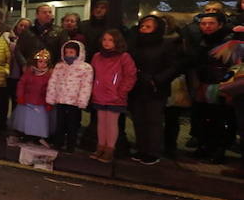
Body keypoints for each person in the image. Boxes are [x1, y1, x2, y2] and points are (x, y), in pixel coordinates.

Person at [128, 16, 181, 165]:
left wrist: (157, 79)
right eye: (142, 26)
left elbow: (174, 66)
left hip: (156, 88)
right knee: (138, 120)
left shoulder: (166, 44)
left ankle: (153, 151)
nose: (143, 29)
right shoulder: (136, 43)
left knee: (153, 120)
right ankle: (141, 148)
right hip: (137, 86)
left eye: (148, 26)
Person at [190, 12, 235, 163]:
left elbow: (234, 66)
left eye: (211, 23)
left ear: (220, 24)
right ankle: (205, 146)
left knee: (220, 118)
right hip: (204, 83)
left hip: (220, 85)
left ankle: (218, 149)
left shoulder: (229, 42)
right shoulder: (201, 41)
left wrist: (227, 84)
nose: (207, 27)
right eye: (203, 24)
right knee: (203, 116)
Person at [89, 30, 137, 163]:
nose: (106, 43)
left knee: (111, 123)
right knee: (101, 122)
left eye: (110, 40)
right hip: (99, 94)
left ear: (117, 41)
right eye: (104, 39)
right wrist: (93, 89)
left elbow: (130, 76)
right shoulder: (97, 56)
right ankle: (100, 147)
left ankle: (109, 149)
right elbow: (92, 74)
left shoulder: (124, 57)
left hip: (115, 96)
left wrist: (121, 92)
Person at [46, 41, 93, 154]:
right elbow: (53, 82)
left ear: (78, 52)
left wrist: (82, 101)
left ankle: (70, 146)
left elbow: (86, 85)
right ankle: (58, 143)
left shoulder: (86, 68)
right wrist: (51, 97)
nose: (68, 55)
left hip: (75, 102)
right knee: (60, 122)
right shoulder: (60, 66)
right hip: (61, 99)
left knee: (73, 124)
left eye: (71, 52)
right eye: (66, 52)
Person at [11, 49, 55, 143]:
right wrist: (20, 96)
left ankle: (36, 136)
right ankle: (25, 134)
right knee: (26, 120)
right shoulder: (29, 73)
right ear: (35, 62)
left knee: (38, 121)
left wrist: (49, 102)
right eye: (40, 61)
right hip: (26, 101)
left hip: (40, 102)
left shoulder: (49, 76)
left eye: (45, 62)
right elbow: (21, 84)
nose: (43, 64)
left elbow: (50, 90)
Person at [16, 4, 62, 71]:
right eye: (44, 12)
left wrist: (56, 67)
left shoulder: (60, 31)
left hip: (52, 70)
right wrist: (24, 64)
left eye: (50, 12)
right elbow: (18, 50)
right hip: (31, 69)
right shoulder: (27, 32)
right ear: (37, 15)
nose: (48, 14)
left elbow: (62, 52)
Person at [5, 18, 31, 113]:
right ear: (17, 25)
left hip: (20, 75)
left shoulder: (30, 40)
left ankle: (14, 123)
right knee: (3, 101)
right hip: (7, 73)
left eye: (26, 26)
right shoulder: (7, 36)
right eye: (21, 25)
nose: (23, 28)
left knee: (17, 101)